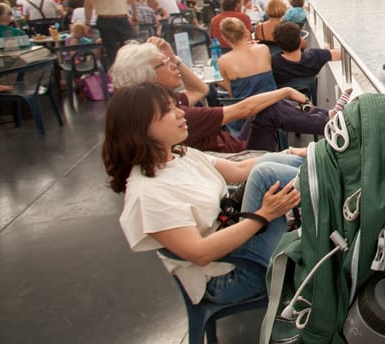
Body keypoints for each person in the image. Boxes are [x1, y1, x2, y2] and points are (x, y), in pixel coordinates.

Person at [103, 82, 303, 304]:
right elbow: (200, 253)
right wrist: (264, 215)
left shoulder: (179, 155)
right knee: (266, 173)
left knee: (269, 165)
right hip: (228, 276)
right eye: (168, 110)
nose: (181, 114)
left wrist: (298, 152)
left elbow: (239, 169)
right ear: (140, 127)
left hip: (236, 239)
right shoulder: (148, 194)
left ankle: (322, 163)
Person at [111, 38, 328, 152]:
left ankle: (328, 119)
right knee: (269, 107)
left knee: (269, 106)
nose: (173, 66)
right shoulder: (173, 115)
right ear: (149, 76)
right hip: (239, 156)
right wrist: (286, 91)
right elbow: (243, 109)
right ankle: (332, 124)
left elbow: (200, 90)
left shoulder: (164, 104)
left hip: (232, 145)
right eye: (165, 64)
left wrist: (174, 58)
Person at [270, 21, 341, 87]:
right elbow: (341, 54)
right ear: (300, 40)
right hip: (308, 90)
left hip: (284, 97)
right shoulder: (315, 56)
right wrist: (326, 51)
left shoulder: (273, 63)